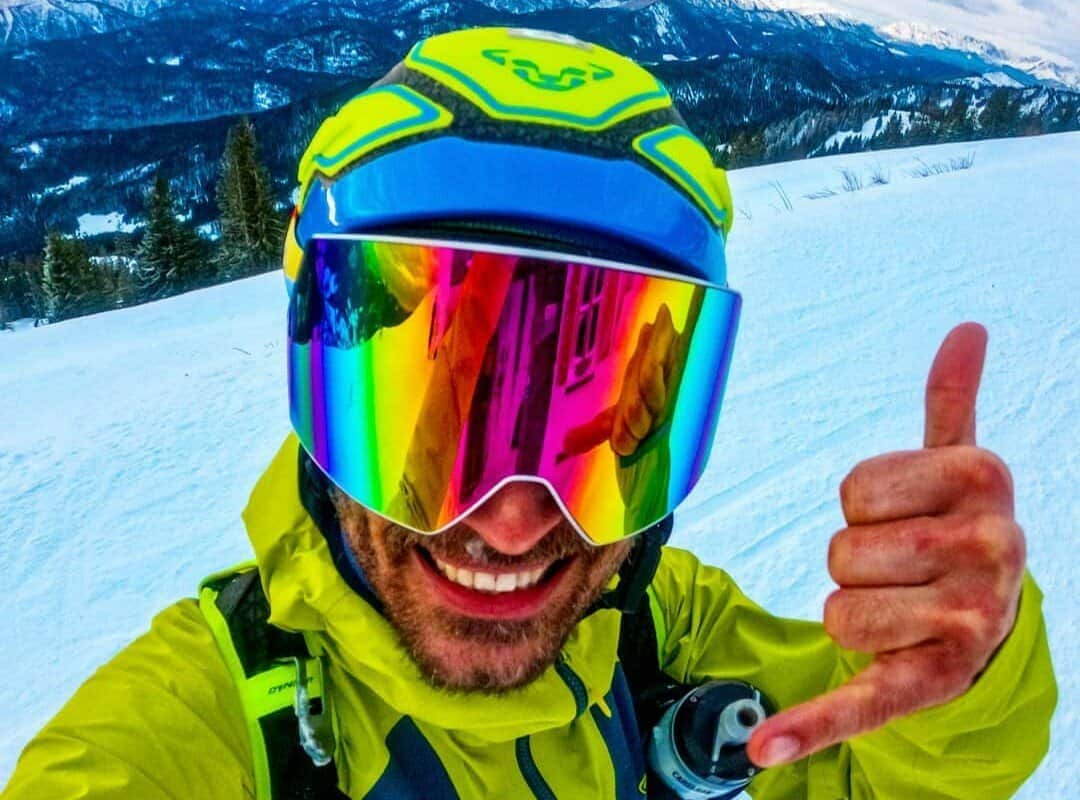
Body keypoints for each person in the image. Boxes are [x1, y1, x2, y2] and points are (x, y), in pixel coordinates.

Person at [2, 26, 1055, 800]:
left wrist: (965, 672)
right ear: (322, 409)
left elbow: (885, 765)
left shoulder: (648, 625)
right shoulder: (198, 729)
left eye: (592, 428)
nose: (512, 523)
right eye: (430, 422)